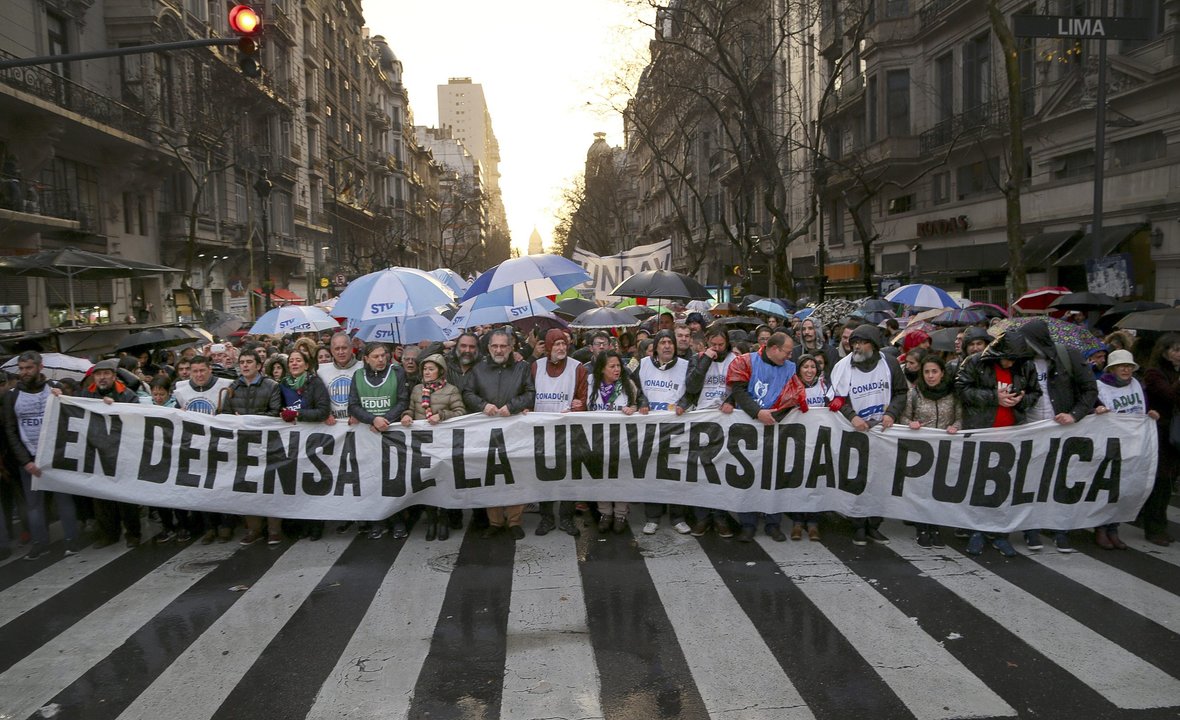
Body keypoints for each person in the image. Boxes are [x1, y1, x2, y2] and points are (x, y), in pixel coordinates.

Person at [956, 330, 1042, 557]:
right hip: (982, 432)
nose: (1010, 363)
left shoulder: (1026, 366)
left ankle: (1000, 534)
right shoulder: (975, 362)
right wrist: (995, 397)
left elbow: (1035, 392)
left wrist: (1021, 400)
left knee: (1003, 487)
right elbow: (962, 390)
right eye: (1007, 358)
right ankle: (976, 531)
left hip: (1011, 435)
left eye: (1014, 360)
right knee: (978, 485)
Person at [1021, 319, 1098, 553]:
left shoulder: (1068, 356)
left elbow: (1090, 389)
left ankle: (1059, 529)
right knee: (1030, 480)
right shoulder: (1022, 361)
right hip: (1030, 429)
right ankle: (1031, 528)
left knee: (1060, 479)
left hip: (1062, 431)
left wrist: (1074, 415)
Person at [827, 324, 906, 545]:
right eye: (854, 343)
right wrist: (852, 416)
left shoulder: (890, 364)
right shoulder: (843, 367)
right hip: (856, 433)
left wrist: (891, 413)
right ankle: (858, 525)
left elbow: (901, 392)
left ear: (874, 345)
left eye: (862, 343)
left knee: (880, 481)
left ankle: (874, 525)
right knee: (858, 479)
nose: (857, 347)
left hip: (882, 432)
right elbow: (835, 399)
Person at [727, 332, 807, 542]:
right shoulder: (746, 361)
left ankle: (773, 523)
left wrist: (775, 415)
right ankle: (748, 523)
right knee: (747, 477)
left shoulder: (790, 368)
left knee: (774, 478)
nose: (789, 356)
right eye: (786, 352)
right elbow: (738, 391)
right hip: (748, 429)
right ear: (774, 349)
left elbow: (795, 396)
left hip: (775, 429)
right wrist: (757, 412)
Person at [1, 351, 80, 559]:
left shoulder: (55, 388)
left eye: (29, 368)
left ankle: (71, 540)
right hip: (29, 459)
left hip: (56, 457)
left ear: (40, 367)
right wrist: (25, 461)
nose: (24, 372)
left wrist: (62, 397)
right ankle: (40, 543)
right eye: (21, 368)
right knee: (34, 506)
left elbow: (70, 418)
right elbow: (10, 430)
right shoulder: (12, 396)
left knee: (64, 500)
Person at [463, 327, 535, 540]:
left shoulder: (522, 367)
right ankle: (495, 521)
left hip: (515, 432)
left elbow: (530, 393)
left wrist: (512, 406)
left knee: (516, 474)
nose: (499, 350)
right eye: (495, 346)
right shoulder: (478, 369)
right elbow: (467, 393)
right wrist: (482, 405)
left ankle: (514, 521)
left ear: (511, 347)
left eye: (503, 346)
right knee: (490, 475)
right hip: (487, 432)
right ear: (488, 348)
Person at [1093, 349, 1157, 549]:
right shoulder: (1100, 386)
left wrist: (1151, 414)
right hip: (1110, 445)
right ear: (1112, 369)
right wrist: (1097, 410)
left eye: (1129, 366)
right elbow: (1091, 410)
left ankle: (1114, 528)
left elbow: (1142, 408)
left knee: (1124, 488)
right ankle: (1101, 528)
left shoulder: (1137, 385)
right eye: (1122, 366)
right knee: (1107, 488)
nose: (1126, 370)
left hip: (1132, 444)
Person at [79, 358, 144, 548]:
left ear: (114, 376)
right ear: (93, 378)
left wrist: (115, 407)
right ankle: (109, 534)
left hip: (122, 452)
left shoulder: (127, 395)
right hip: (98, 453)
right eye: (99, 374)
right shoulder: (86, 395)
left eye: (106, 374)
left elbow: (136, 418)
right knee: (101, 498)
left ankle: (133, 533)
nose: (102, 377)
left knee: (126, 497)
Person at [348, 342, 410, 538]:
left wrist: (385, 420)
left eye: (383, 355)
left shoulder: (397, 372)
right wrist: (372, 419)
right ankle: (378, 519)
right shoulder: (358, 376)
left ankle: (397, 519)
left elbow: (403, 401)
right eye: (376, 356)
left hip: (391, 433)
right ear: (366, 359)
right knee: (371, 479)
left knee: (393, 478)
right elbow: (353, 405)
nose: (381, 359)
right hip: (368, 435)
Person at [401, 353, 467, 540]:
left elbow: (460, 411)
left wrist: (442, 415)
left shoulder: (451, 390)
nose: (427, 372)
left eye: (431, 369)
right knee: (427, 481)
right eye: (425, 369)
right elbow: (411, 409)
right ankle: (432, 520)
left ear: (441, 371)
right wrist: (406, 415)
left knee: (443, 481)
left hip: (443, 443)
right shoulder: (417, 390)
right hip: (422, 444)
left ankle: (444, 519)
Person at [220, 350, 283, 545]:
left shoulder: (271, 386)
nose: (245, 365)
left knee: (269, 487)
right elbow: (225, 414)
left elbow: (275, 413)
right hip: (242, 445)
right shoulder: (232, 387)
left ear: (258, 365)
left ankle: (274, 530)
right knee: (247, 488)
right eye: (242, 362)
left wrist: (248, 419)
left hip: (267, 443)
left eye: (249, 362)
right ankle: (253, 529)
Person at [899, 355, 961, 548]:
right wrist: (910, 423)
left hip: (944, 449)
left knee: (938, 490)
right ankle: (922, 527)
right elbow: (903, 417)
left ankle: (935, 527)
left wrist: (955, 427)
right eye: (926, 372)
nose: (930, 376)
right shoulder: (914, 394)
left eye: (934, 371)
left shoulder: (952, 394)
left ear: (942, 373)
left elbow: (960, 417)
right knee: (921, 490)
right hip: (921, 451)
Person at [531, 328, 587, 537]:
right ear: (548, 347)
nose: (562, 348)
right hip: (541, 431)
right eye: (557, 344)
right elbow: (528, 393)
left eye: (564, 343)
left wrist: (578, 408)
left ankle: (566, 517)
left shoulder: (577, 368)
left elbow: (583, 398)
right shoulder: (536, 367)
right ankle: (546, 517)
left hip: (568, 431)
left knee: (568, 473)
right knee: (543, 474)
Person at [636, 330, 691, 535]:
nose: (667, 346)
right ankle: (652, 517)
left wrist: (683, 404)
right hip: (650, 427)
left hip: (676, 427)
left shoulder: (685, 365)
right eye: (663, 343)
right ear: (656, 347)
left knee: (676, 473)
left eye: (670, 342)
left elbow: (693, 391)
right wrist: (642, 401)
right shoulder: (643, 364)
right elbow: (634, 388)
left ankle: (677, 517)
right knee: (652, 472)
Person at [685, 327, 736, 537]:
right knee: (702, 470)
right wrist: (705, 360)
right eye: (713, 345)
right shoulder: (697, 359)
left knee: (722, 471)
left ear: (727, 344)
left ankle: (720, 516)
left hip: (726, 422)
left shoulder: (736, 360)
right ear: (707, 344)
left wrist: (731, 401)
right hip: (702, 421)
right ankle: (702, 517)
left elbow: (742, 387)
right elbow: (691, 387)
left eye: (720, 345)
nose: (717, 348)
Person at [278, 347, 331, 541]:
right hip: (291, 441)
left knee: (313, 483)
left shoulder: (314, 383)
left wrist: (298, 414)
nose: (294, 363)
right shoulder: (282, 385)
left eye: (298, 360)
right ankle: (301, 524)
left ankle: (316, 524)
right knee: (296, 483)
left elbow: (323, 411)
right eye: (291, 360)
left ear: (307, 365)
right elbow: (276, 409)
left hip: (313, 440)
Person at [586, 350, 640, 533]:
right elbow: (582, 406)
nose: (617, 369)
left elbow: (637, 404)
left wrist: (633, 409)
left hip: (621, 441)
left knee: (621, 477)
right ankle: (605, 513)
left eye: (618, 366)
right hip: (597, 441)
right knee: (600, 478)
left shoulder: (628, 385)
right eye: (612, 366)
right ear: (602, 369)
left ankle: (620, 514)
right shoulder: (590, 383)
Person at [1141, 334, 1180, 547]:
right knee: (1160, 481)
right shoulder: (1154, 374)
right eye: (1176, 350)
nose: (1179, 354)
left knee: (1168, 482)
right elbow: (1170, 396)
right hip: (1160, 433)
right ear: (1164, 352)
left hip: (1174, 434)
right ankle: (1154, 527)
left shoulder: (1174, 372)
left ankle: (1160, 523)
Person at [792, 354, 828, 541]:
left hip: (818, 441)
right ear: (799, 369)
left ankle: (813, 522)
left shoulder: (824, 387)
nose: (809, 370)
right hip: (797, 442)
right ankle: (797, 521)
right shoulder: (791, 386)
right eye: (805, 367)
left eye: (813, 367)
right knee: (798, 480)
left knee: (816, 481)